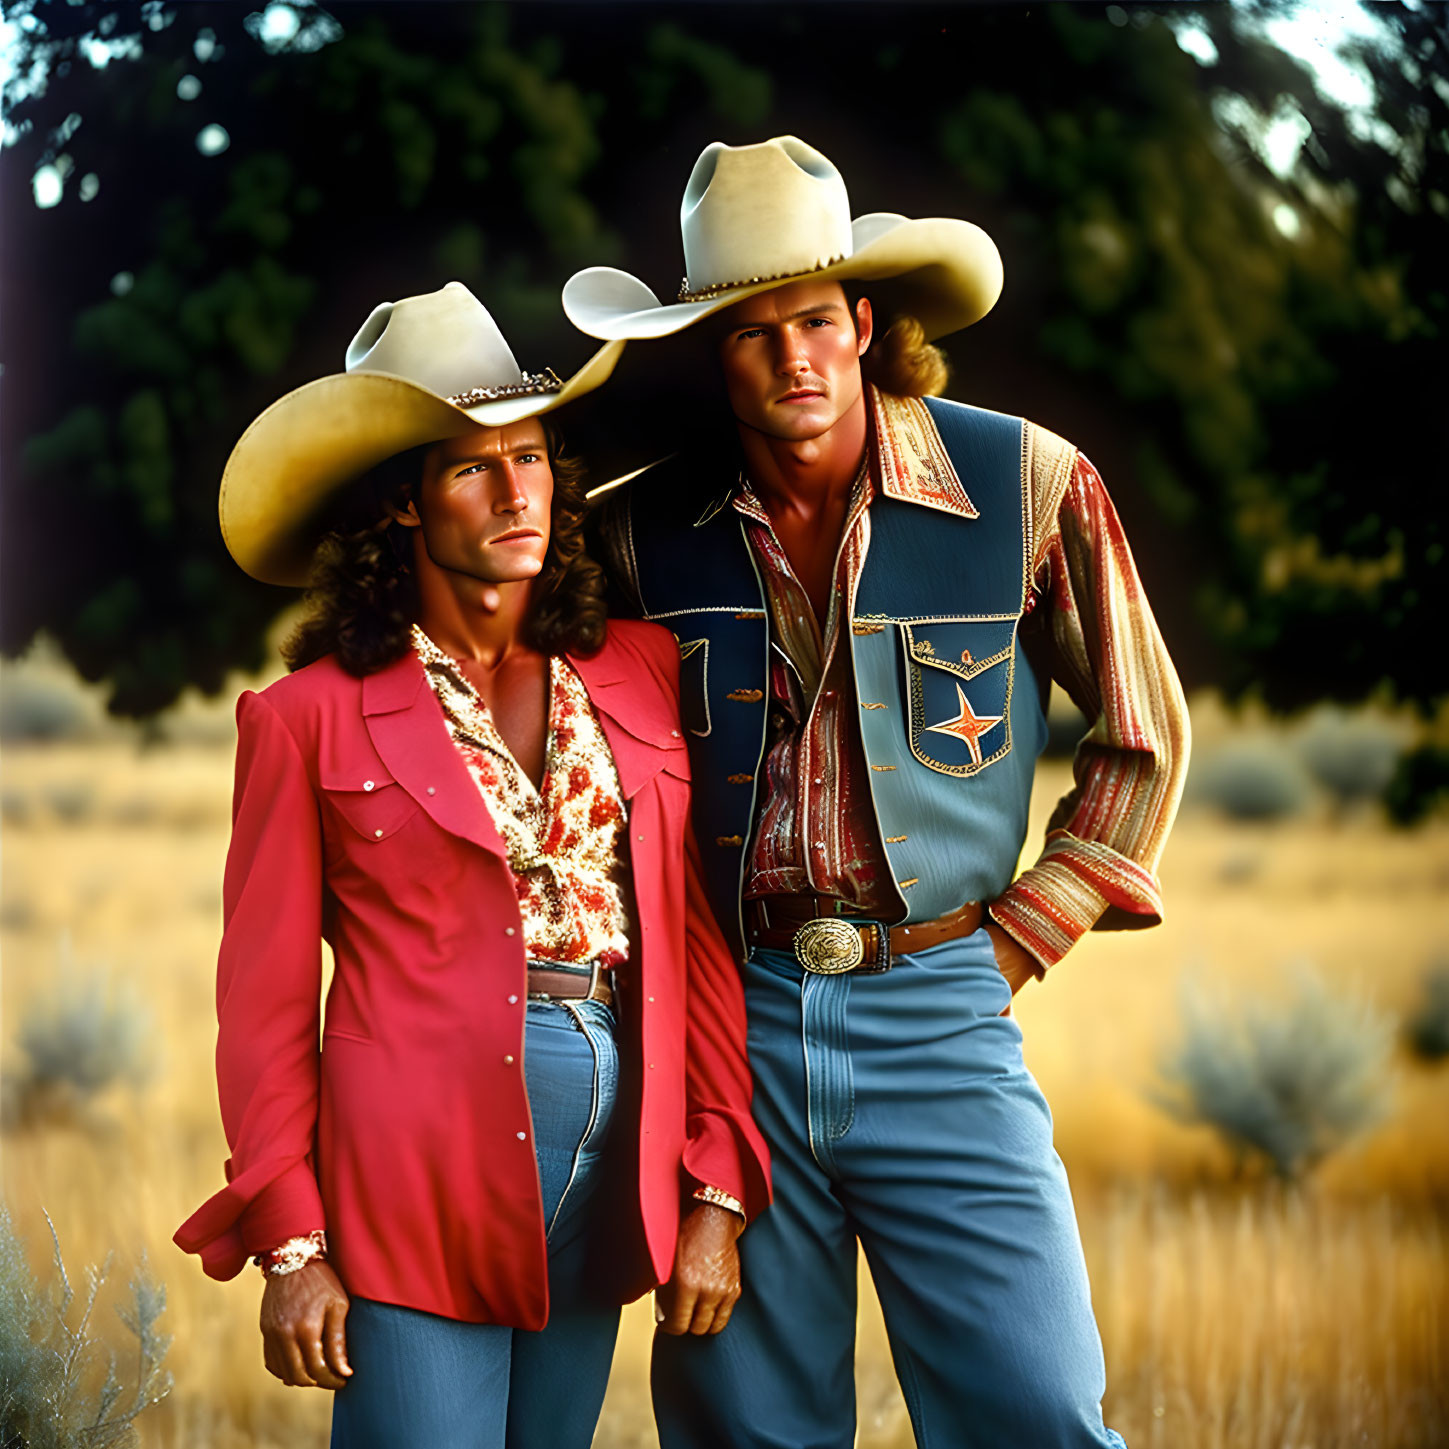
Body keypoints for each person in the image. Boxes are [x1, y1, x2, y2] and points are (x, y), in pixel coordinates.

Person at [564, 137, 1190, 1447]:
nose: (792, 357)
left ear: (861, 323)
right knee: (748, 1431)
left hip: (944, 1008)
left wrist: (1018, 937)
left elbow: (1142, 732)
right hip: (738, 1028)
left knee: (1037, 1410)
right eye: (751, 331)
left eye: (812, 320)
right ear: (712, 352)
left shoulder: (1026, 481)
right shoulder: (631, 535)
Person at [173, 281, 770, 1449]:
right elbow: (262, 1006)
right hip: (409, 1175)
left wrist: (714, 1179)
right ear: (402, 501)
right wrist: (292, 1244)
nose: (517, 493)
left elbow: (691, 940)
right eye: (472, 468)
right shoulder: (304, 720)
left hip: (614, 1170)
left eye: (535, 459)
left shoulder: (639, 668)